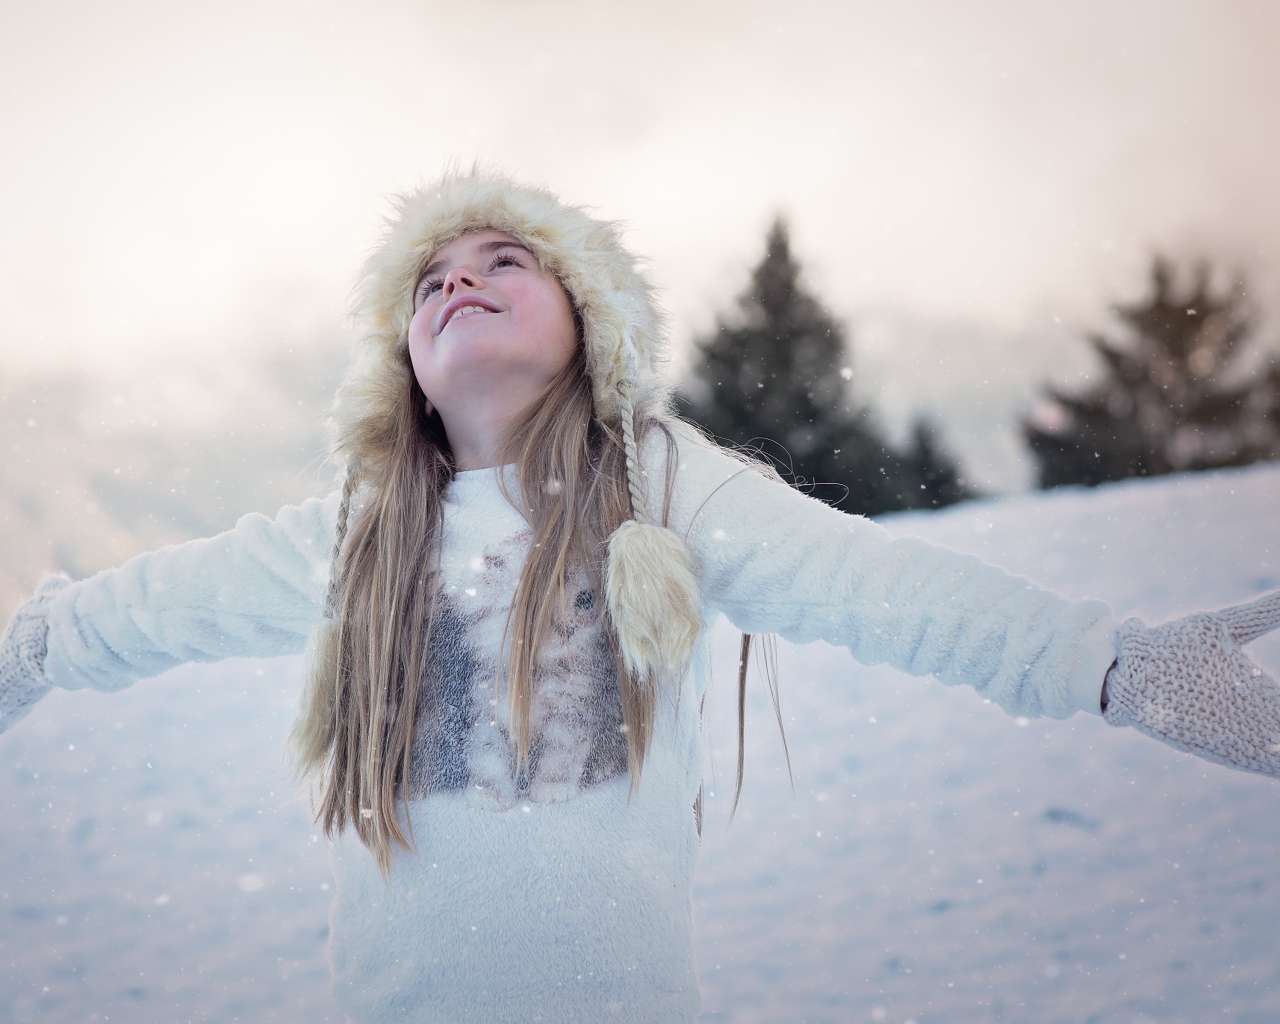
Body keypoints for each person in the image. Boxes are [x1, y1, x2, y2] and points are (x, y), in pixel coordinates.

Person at [1, 170, 1277, 1024]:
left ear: (588, 321)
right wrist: (32, 647)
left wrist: (1109, 662)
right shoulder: (358, 532)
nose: (456, 281)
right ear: (404, 367)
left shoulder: (658, 484)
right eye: (427, 282)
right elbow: (158, 604)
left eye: (503, 258)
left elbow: (878, 586)